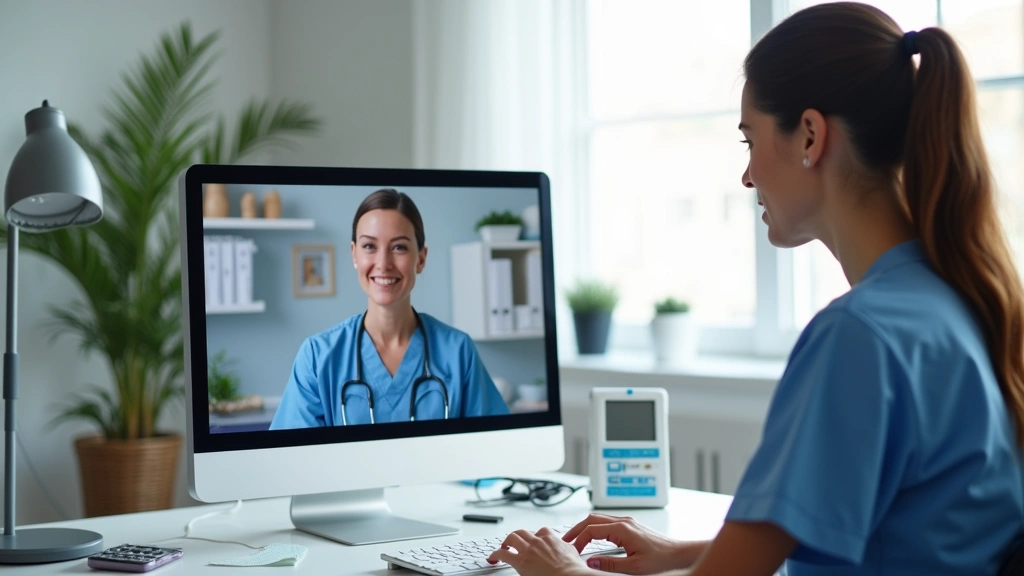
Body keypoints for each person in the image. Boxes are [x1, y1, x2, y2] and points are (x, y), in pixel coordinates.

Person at [486, 3, 1024, 575]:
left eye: (750, 140)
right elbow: (898, 531)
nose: (747, 176)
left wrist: (563, 572)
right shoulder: (958, 300)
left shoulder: (858, 337)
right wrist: (686, 552)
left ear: (810, 136)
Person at [270, 188, 510, 428]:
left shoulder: (458, 353)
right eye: (369, 247)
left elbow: (493, 449)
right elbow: (292, 459)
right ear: (354, 254)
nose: (383, 264)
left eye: (399, 247)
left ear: (421, 258)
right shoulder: (317, 357)